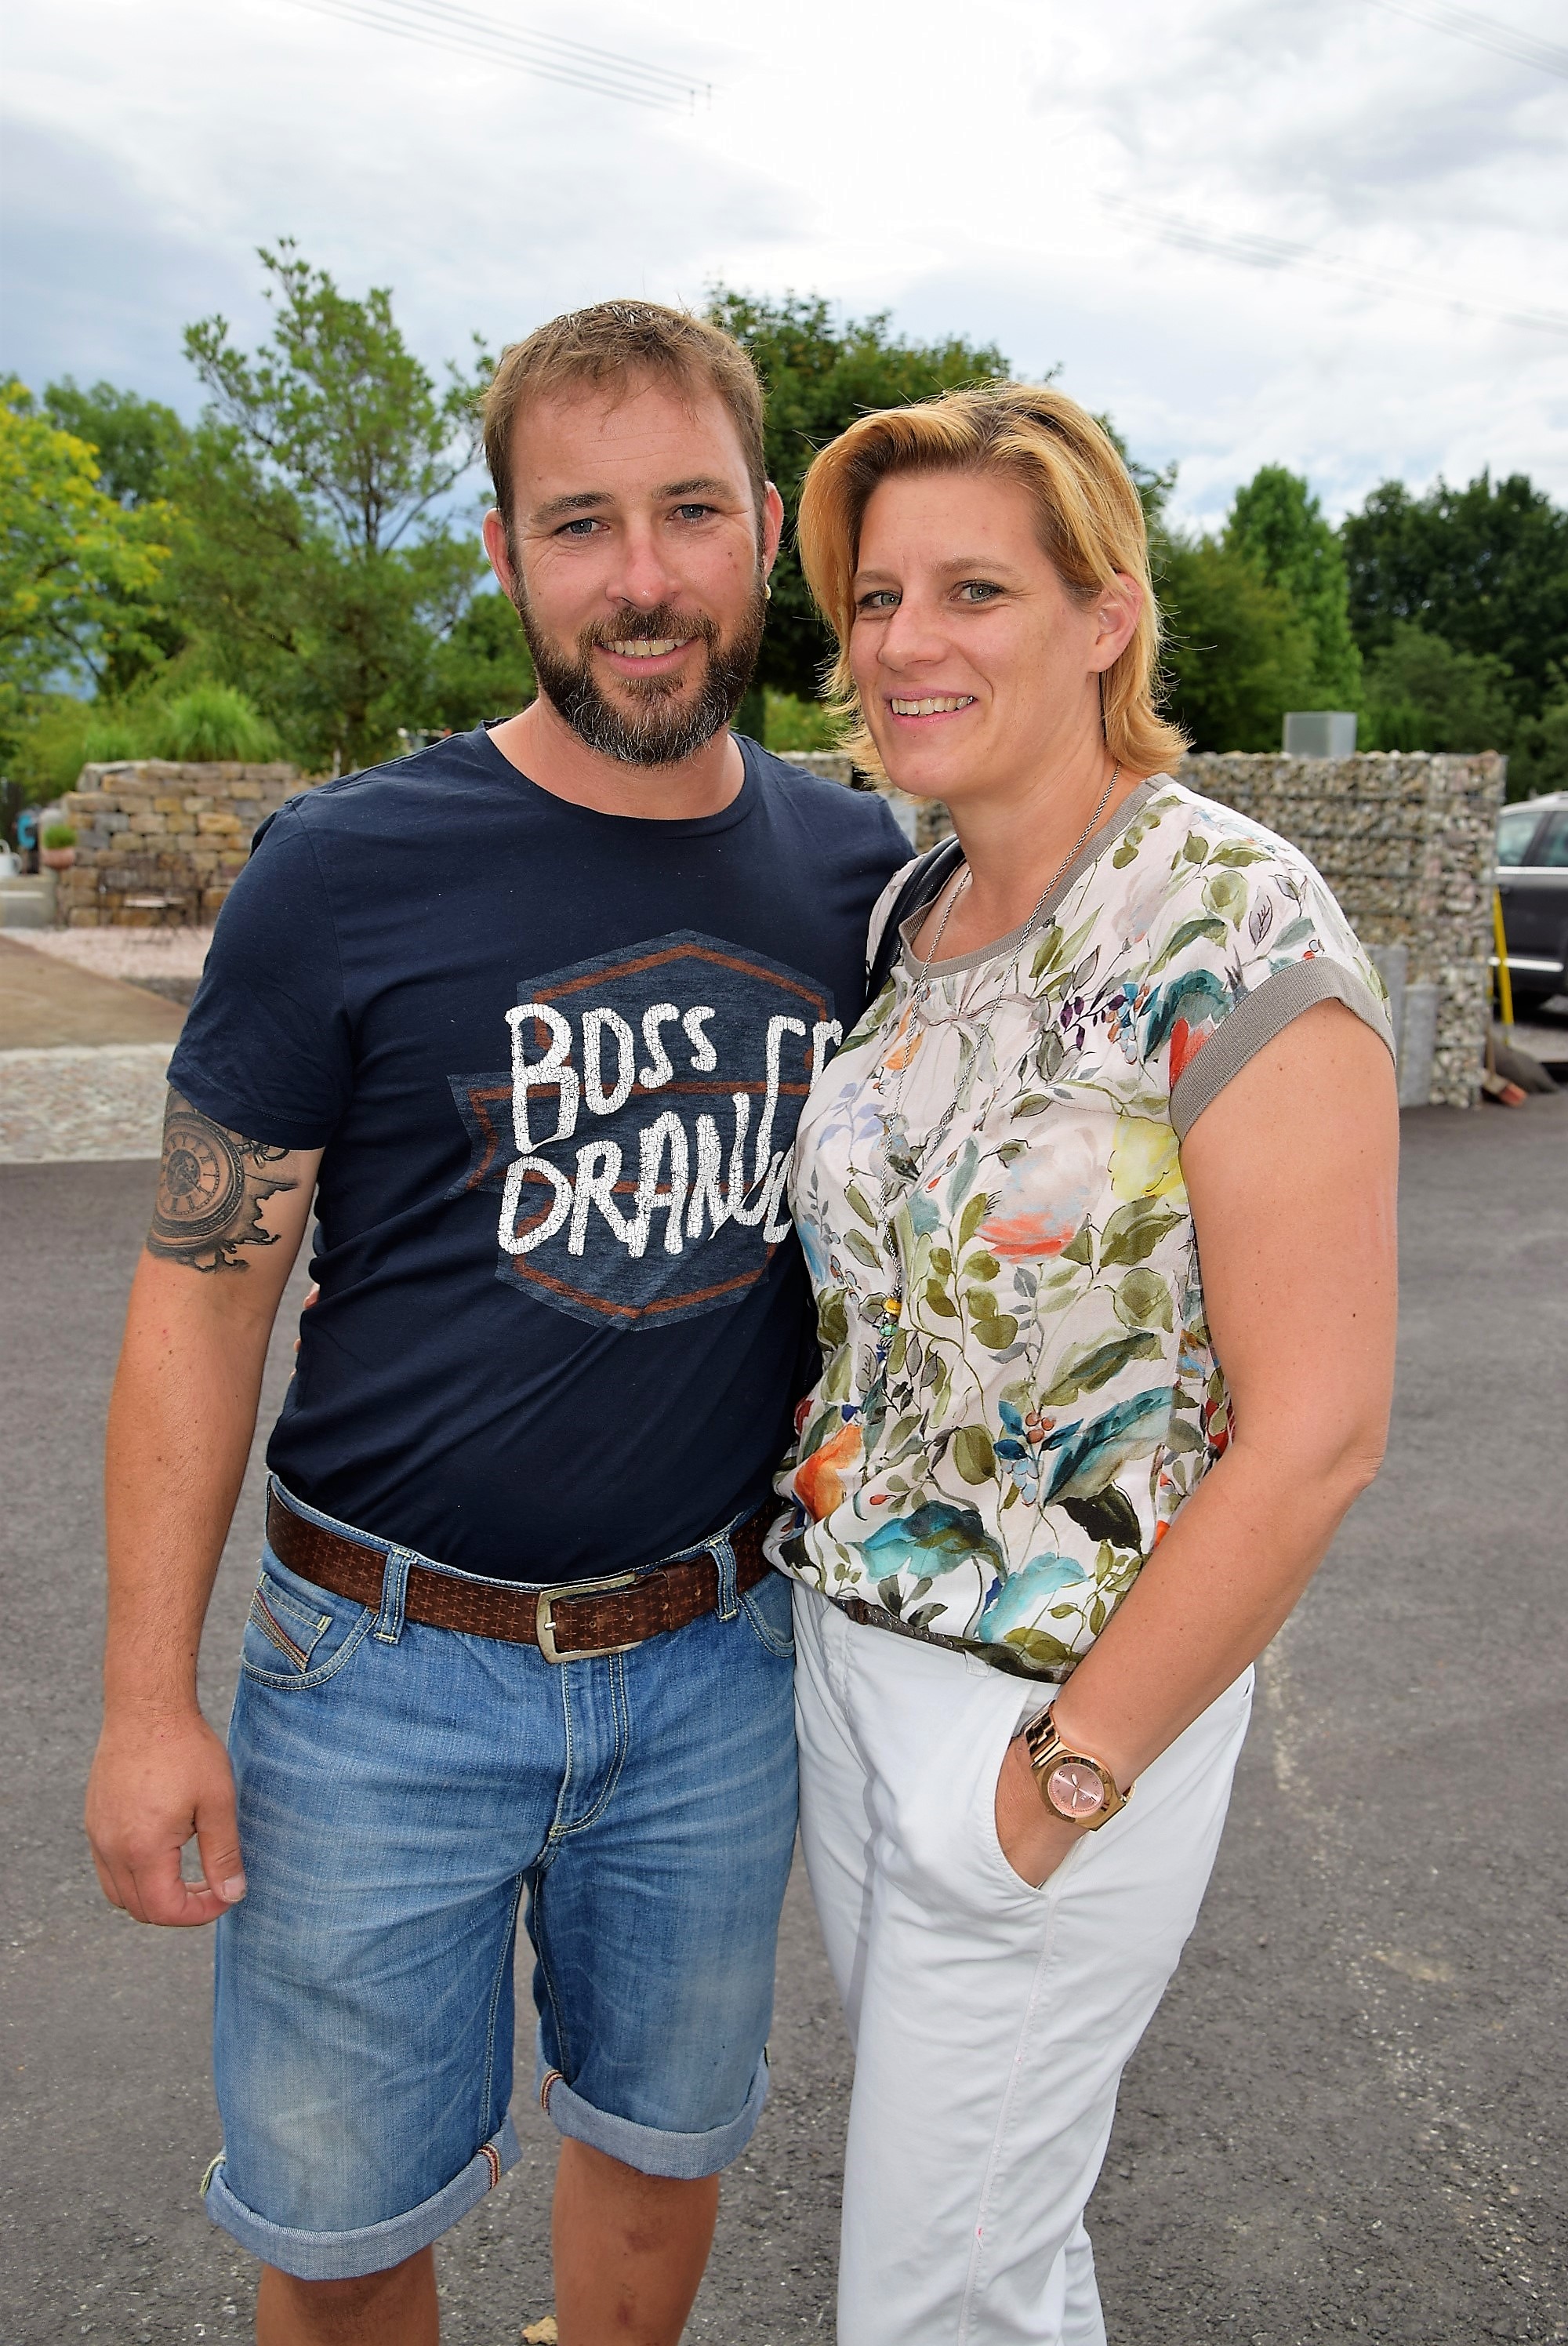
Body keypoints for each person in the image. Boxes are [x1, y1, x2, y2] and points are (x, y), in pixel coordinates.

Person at [83, 300, 909, 2346]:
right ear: (505, 555)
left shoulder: (860, 871)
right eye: (579, 523)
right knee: (343, 2236)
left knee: (661, 2145)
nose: (642, 579)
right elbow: (201, 1297)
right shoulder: (342, 872)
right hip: (379, 1672)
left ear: (764, 530)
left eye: (690, 512)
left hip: (715, 1661)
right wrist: (145, 1702)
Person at [766, 384, 1400, 2344]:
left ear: (1105, 615)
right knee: (999, 2254)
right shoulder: (910, 907)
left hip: (1056, 1702)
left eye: (975, 588)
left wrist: (1066, 1773)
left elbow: (1317, 1432)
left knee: (926, 2298)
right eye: (878, 597)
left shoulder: (1227, 915)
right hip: (849, 1671)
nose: (907, 640)